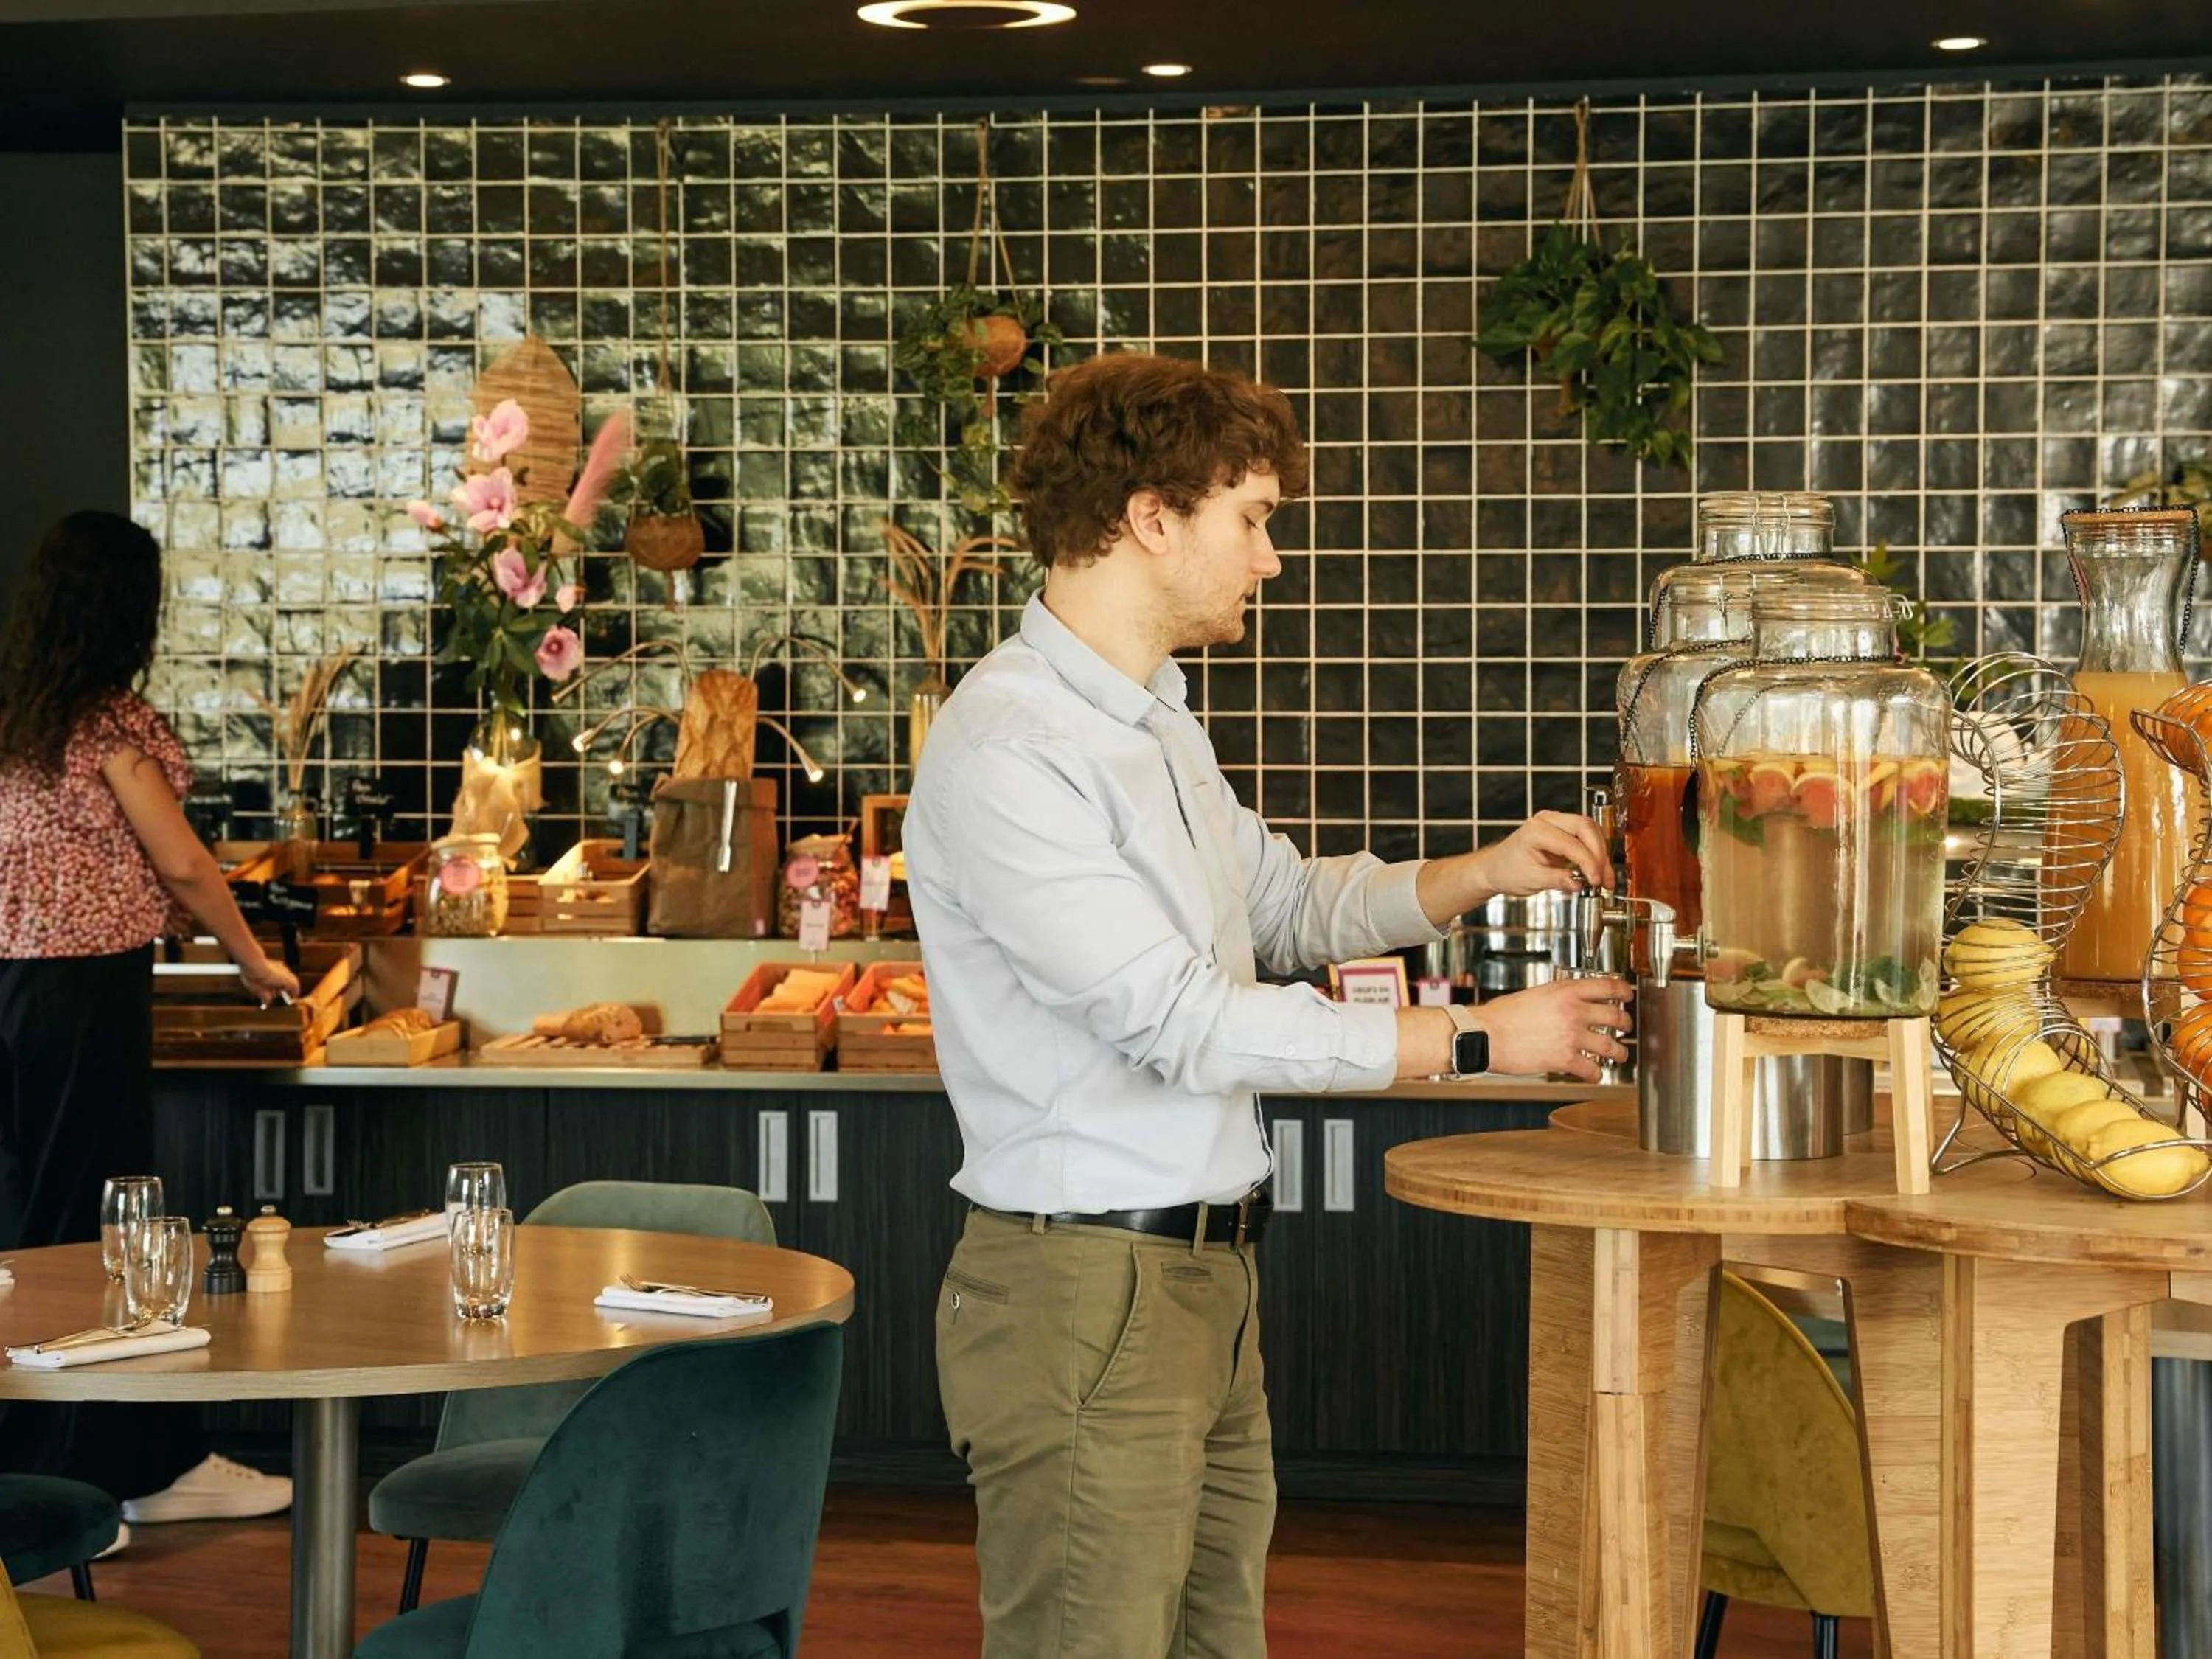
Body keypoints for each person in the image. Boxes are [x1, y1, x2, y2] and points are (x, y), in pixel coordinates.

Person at [903, 352, 1632, 1658]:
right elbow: (1185, 1019)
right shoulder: (1010, 747)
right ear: (1149, 517)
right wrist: (1472, 1039)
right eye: (1253, 517)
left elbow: (1284, 904)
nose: (1272, 556)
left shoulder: (1154, 723)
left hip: (1202, 1282)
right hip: (1085, 1286)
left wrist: (1480, 873)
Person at [0, 510, 297, 1535]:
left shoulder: (20, 721)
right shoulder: (112, 728)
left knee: (31, 1234)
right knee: (104, 1232)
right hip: (85, 996)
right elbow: (180, 861)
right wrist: (255, 959)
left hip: (12, 993)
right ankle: (121, 1476)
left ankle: (46, 1482)